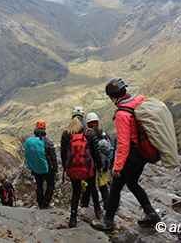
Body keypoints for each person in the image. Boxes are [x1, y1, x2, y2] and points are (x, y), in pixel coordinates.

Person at [91, 77, 160, 231]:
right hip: (143, 153)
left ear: (113, 96)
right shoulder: (139, 100)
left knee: (115, 188)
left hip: (131, 157)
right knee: (133, 183)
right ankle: (151, 214)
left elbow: (123, 144)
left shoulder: (123, 114)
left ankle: (108, 222)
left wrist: (117, 167)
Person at [61, 116, 103, 228]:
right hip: (88, 167)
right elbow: (96, 152)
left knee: (76, 192)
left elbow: (63, 153)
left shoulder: (66, 134)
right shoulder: (89, 133)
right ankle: (98, 212)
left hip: (73, 168)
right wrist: (99, 166)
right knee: (92, 188)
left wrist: (66, 167)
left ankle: (73, 218)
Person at [81, 112, 113, 210]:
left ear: (87, 124)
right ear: (98, 122)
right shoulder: (104, 134)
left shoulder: (87, 135)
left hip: (92, 166)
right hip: (104, 167)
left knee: (89, 186)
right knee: (103, 186)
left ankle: (85, 204)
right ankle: (108, 204)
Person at [32, 120, 58, 209]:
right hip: (47, 167)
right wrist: (55, 168)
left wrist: (32, 168)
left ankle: (40, 202)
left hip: (37, 167)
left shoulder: (33, 142)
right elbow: (53, 156)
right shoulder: (48, 141)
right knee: (50, 184)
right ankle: (46, 202)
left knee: (39, 185)